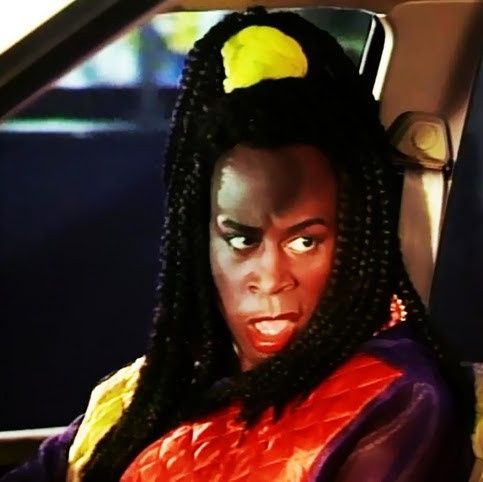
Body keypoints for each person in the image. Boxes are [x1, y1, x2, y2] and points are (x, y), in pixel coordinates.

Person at [2, 7, 474, 482]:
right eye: (242, 239)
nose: (270, 278)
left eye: (305, 241)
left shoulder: (397, 399)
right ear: (201, 243)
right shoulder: (147, 386)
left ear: (356, 240)